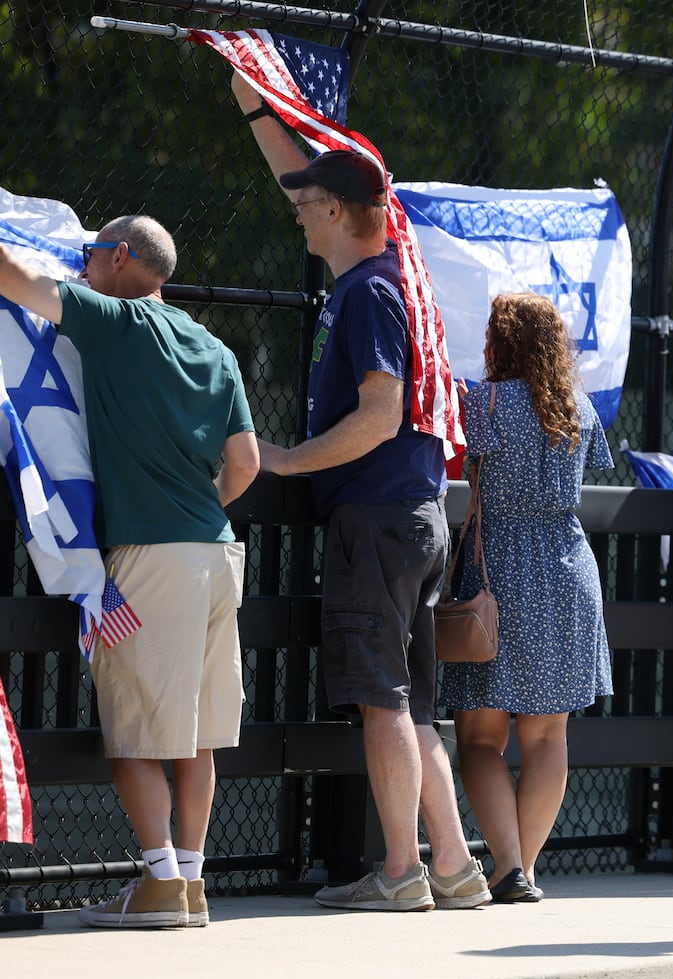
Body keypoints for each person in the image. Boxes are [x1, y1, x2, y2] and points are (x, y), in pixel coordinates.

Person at [234, 78, 487, 911]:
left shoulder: (369, 291)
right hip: (415, 516)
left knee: (381, 698)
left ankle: (402, 872)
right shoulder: (388, 276)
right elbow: (301, 173)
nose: (297, 214)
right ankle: (452, 865)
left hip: (374, 519)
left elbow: (380, 414)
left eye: (310, 205)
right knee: (413, 703)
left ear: (340, 212)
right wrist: (255, 105)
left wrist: (286, 459)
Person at [0, 216, 259, 928]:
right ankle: (194, 883)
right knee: (200, 733)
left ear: (120, 258)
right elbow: (246, 466)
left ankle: (156, 884)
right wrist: (193, 505)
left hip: (151, 558)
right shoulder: (215, 350)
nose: (80, 268)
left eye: (88, 256)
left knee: (136, 730)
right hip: (218, 552)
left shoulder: (115, 321)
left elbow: (14, 281)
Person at [441, 292, 613, 903]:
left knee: (481, 739)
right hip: (569, 574)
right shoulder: (579, 408)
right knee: (548, 737)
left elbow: (460, 466)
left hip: (498, 574)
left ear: (499, 341)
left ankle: (508, 867)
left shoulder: (481, 401)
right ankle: (528, 870)